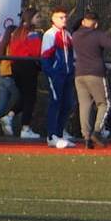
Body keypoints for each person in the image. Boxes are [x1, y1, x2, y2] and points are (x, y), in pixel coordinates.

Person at [69, 12, 111, 149]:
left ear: (84, 21)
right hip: (95, 73)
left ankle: (86, 137)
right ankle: (97, 131)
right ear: (96, 23)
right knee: (104, 104)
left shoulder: (76, 35)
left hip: (79, 74)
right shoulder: (97, 34)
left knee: (84, 105)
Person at [39, 8, 77, 147]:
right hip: (56, 75)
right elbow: (45, 56)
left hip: (67, 74)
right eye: (60, 17)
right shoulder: (50, 35)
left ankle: (60, 134)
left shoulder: (67, 34)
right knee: (55, 103)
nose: (64, 19)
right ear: (53, 19)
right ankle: (51, 135)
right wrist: (52, 72)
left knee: (67, 104)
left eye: (65, 17)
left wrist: (72, 69)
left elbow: (73, 55)